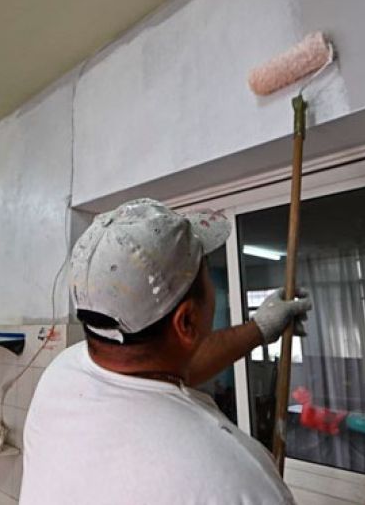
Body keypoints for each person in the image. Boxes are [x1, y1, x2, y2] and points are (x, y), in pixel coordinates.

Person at [20, 199, 312, 504]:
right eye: (208, 276)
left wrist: (259, 328)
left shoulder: (62, 374)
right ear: (187, 320)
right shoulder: (237, 484)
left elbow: (175, 367)